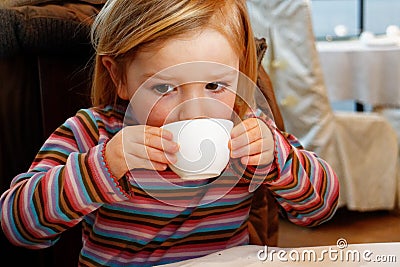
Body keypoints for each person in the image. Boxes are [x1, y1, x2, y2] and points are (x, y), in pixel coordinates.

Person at [0, 0, 339, 266]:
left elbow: (322, 207)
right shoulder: (94, 133)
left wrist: (279, 158)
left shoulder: (249, 129)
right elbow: (19, 224)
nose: (194, 111)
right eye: (165, 87)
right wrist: (103, 167)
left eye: (214, 85)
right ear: (118, 76)